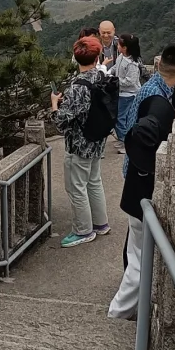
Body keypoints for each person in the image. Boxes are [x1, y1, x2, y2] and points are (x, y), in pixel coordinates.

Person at [108, 76, 175, 318]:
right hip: (143, 203)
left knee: (137, 257)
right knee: (139, 262)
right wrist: (150, 165)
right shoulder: (162, 121)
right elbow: (140, 134)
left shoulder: (161, 106)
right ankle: (117, 314)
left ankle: (128, 310)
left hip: (136, 199)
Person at [52, 35, 114, 247]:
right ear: (98, 58)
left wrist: (54, 104)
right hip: (98, 138)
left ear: (75, 58)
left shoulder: (77, 87)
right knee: (94, 181)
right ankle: (100, 223)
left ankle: (83, 231)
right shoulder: (101, 77)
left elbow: (61, 122)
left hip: (79, 143)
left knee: (76, 187)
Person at [111, 32, 142, 146]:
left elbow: (130, 81)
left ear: (125, 48)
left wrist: (115, 81)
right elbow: (116, 67)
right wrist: (109, 72)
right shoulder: (121, 56)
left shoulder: (132, 64)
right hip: (121, 93)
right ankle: (124, 138)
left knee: (120, 118)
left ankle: (124, 140)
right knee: (123, 117)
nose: (117, 46)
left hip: (129, 94)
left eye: (119, 45)